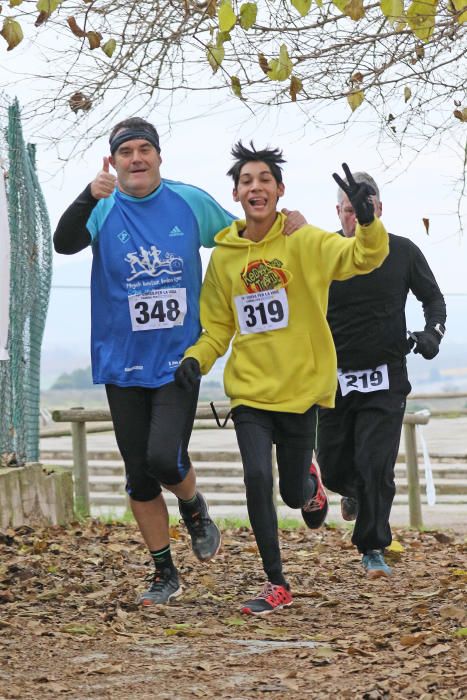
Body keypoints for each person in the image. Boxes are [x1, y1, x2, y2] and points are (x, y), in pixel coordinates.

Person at [53, 118, 305, 607]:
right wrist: (88, 194)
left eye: (145, 149)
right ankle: (165, 573)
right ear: (114, 161)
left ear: (159, 157)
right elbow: (64, 242)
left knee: (163, 457)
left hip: (178, 360)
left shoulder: (188, 202)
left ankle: (193, 506)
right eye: (126, 152)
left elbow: (243, 231)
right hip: (120, 359)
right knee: (139, 476)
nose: (136, 159)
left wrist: (288, 222)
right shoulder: (102, 206)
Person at [174, 143, 389, 615]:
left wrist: (369, 221)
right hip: (250, 392)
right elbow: (218, 327)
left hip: (300, 391)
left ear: (280, 190)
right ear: (236, 193)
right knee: (255, 477)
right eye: (247, 181)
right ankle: (276, 582)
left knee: (292, 493)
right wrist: (197, 359)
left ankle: (308, 485)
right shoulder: (226, 257)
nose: (256, 187)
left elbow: (363, 258)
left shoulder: (304, 240)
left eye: (264, 180)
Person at [316, 171, 447, 579]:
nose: (357, 217)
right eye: (349, 210)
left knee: (375, 465)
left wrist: (431, 333)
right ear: (338, 212)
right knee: (335, 469)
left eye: (365, 209)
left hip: (386, 378)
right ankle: (355, 493)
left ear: (380, 209)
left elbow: (434, 299)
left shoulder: (403, 252)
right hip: (333, 380)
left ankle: (372, 545)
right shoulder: (324, 253)